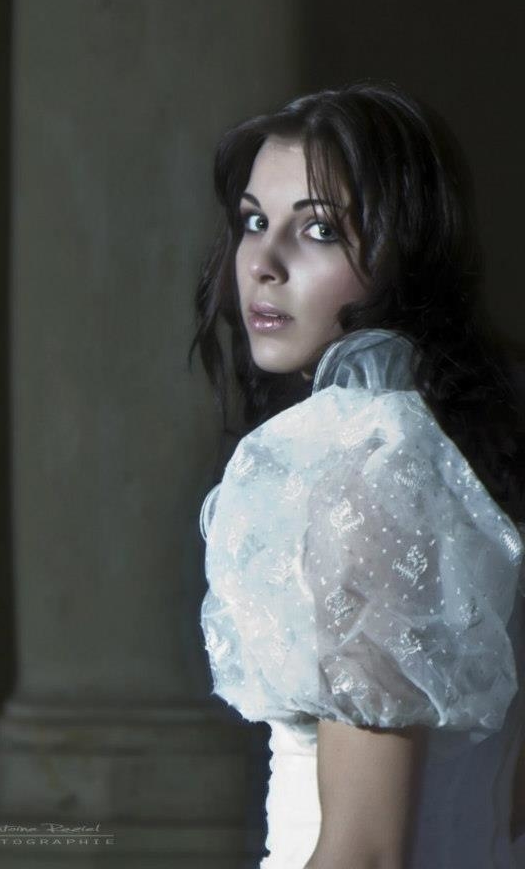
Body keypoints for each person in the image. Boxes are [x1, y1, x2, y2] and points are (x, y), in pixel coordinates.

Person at [189, 81, 525, 869]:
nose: (264, 264)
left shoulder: (367, 477)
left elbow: (365, 853)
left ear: (407, 254)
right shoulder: (468, 455)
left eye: (318, 230)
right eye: (253, 222)